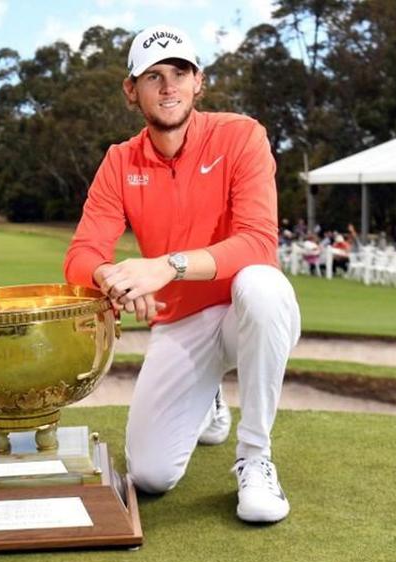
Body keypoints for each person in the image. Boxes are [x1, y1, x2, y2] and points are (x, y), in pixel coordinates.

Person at [64, 24, 300, 524]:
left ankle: (256, 457)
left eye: (180, 72)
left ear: (199, 82)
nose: (168, 86)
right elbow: (82, 255)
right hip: (181, 323)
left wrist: (165, 267)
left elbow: (259, 241)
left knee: (262, 285)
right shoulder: (119, 160)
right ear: (132, 91)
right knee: (150, 475)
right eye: (153, 76)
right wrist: (115, 280)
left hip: (242, 310)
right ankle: (209, 397)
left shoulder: (241, 136)